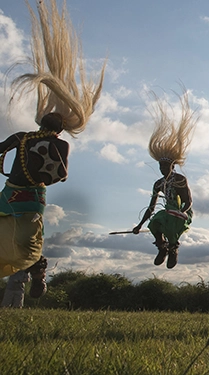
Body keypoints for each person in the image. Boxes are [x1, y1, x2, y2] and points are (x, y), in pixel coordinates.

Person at [0, 0, 105, 295]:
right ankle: (31, 269)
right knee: (8, 237)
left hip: (31, 197)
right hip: (10, 193)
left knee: (26, 242)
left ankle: (38, 267)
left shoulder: (53, 145)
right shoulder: (23, 137)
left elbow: (60, 174)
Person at [132, 91, 197, 269]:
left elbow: (188, 201)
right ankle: (162, 247)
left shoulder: (180, 180)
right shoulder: (158, 184)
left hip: (182, 213)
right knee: (155, 223)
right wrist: (139, 225)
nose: (162, 170)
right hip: (168, 212)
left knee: (168, 220)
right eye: (160, 167)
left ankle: (173, 248)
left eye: (165, 167)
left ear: (172, 167)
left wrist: (180, 212)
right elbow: (151, 207)